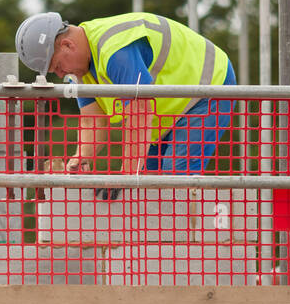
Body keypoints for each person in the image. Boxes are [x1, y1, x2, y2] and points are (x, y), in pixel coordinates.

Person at [15, 11, 236, 199]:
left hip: (209, 87)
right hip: (171, 112)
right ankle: (161, 249)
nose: (61, 74)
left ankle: (187, 249)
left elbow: (141, 109)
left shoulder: (115, 51)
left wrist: (127, 174)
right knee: (150, 191)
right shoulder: (81, 71)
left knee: (174, 180)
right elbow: (93, 120)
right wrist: (80, 158)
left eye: (58, 66)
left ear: (67, 44)